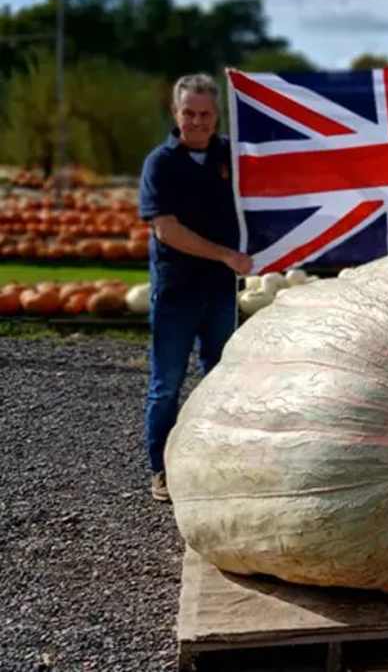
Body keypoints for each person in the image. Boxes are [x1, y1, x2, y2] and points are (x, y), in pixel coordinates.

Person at [138, 73, 253, 502]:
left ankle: (214, 465)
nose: (198, 122)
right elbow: (166, 230)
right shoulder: (160, 164)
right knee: (166, 384)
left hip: (221, 291)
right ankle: (161, 471)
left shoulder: (233, 156)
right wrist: (225, 255)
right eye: (189, 113)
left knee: (221, 380)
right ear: (175, 113)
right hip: (177, 292)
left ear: (217, 115)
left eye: (205, 114)